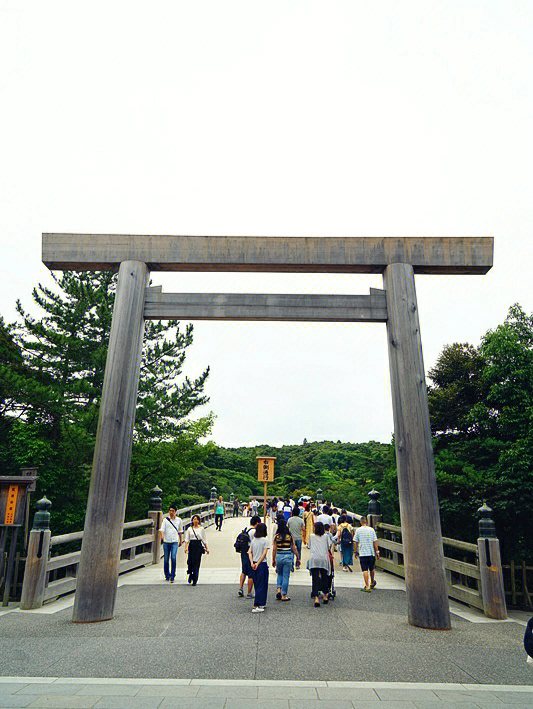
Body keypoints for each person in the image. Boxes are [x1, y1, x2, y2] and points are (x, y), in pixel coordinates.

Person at [272, 518, 298, 601]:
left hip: (279, 556)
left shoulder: (276, 537)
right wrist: (298, 557)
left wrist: (273, 560)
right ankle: (284, 595)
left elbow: (274, 549)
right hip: (287, 556)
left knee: (279, 574)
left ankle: (278, 590)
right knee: (285, 576)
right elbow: (294, 548)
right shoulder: (289, 536)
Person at [308, 521, 333, 607]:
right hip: (324, 559)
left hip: (314, 559)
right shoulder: (326, 536)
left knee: (315, 578)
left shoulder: (311, 536)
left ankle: (316, 598)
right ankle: (325, 596)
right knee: (324, 577)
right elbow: (329, 546)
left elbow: (309, 546)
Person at [354, 516, 380, 592]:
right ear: (367, 522)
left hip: (362, 553)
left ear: (360, 522)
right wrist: (377, 552)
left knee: (365, 569)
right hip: (371, 552)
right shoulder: (371, 530)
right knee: (371, 568)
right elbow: (375, 541)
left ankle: (367, 586)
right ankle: (372, 582)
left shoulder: (358, 530)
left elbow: (355, 542)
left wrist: (356, 551)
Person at [248, 522, 269, 612]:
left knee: (257, 584)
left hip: (254, 563)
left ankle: (261, 603)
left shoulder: (254, 540)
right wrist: (258, 563)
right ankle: (257, 605)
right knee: (262, 584)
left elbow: (249, 552)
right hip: (261, 564)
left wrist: (252, 563)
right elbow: (264, 554)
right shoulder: (265, 540)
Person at [237, 514, 260, 598]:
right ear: (257, 523)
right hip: (250, 554)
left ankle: (240, 588)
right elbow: (255, 544)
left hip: (243, 552)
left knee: (243, 571)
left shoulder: (245, 529)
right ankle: (249, 592)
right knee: (251, 574)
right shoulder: (254, 532)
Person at [159, 504, 183, 583]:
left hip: (174, 541)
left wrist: (181, 540)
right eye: (170, 511)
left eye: (173, 511)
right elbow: (162, 529)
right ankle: (167, 574)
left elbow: (180, 531)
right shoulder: (165, 520)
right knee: (166, 559)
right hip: (166, 541)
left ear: (175, 512)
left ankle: (172, 575)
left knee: (173, 557)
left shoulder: (179, 520)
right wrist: (162, 536)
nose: (171, 512)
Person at [184, 513, 209, 585]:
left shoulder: (201, 529)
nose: (195, 520)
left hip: (198, 546)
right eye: (194, 519)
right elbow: (187, 539)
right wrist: (186, 548)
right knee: (190, 562)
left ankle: (195, 579)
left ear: (198, 521)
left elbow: (204, 539)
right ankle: (190, 574)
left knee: (196, 563)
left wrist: (207, 548)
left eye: (196, 519)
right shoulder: (189, 529)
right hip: (191, 545)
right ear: (192, 520)